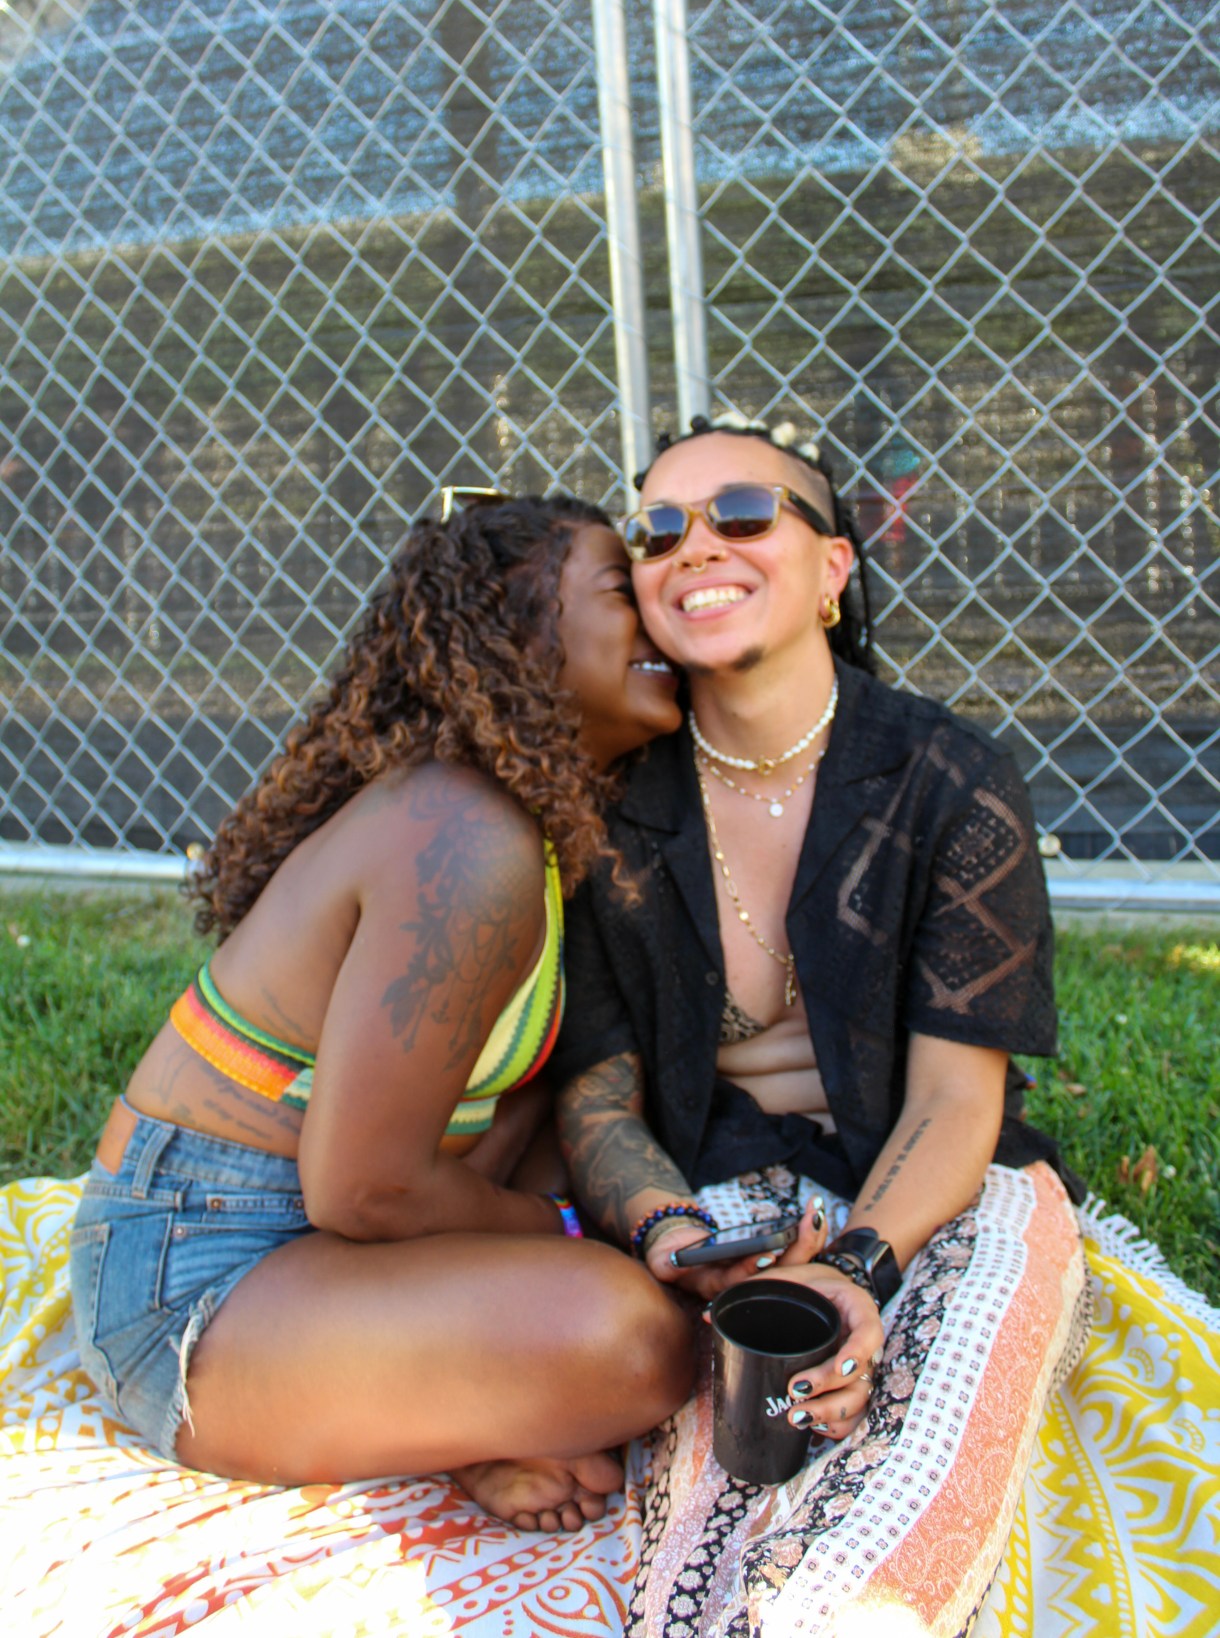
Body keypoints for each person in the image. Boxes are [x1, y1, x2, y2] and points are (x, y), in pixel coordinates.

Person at [552, 417, 1091, 1631]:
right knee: (724, 1458)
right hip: (716, 1190)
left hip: (940, 1184)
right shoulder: (599, 804)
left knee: (914, 1428)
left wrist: (857, 1271)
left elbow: (959, 1098)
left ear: (833, 573)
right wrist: (675, 1238)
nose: (696, 545)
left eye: (742, 514)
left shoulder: (947, 777)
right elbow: (594, 1091)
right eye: (657, 528)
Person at [69, 494, 694, 1534]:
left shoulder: (519, 829)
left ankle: (454, 1409)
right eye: (620, 593)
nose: (657, 621)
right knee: (637, 1343)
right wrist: (566, 1236)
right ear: (514, 623)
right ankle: (462, 1422)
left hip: (314, 1249)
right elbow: (366, 1188)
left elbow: (489, 1124)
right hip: (190, 1286)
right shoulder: (463, 834)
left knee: (588, 1244)